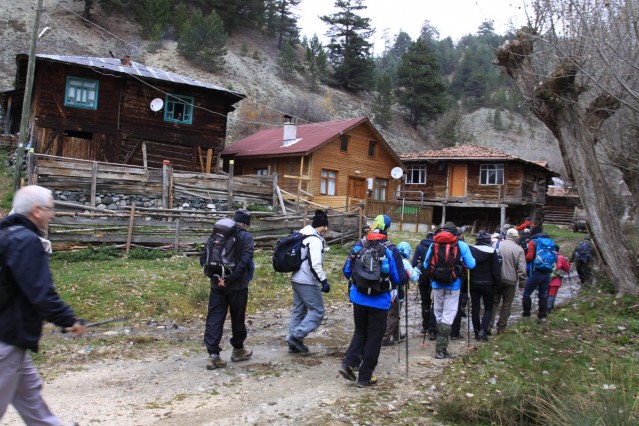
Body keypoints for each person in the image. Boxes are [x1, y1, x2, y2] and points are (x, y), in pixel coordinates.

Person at [0, 185, 87, 424]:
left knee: (32, 402)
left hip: (13, 336)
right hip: (7, 336)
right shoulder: (25, 241)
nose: (53, 214)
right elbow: (40, 292)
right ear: (37, 211)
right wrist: (68, 320)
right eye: (50, 209)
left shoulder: (6, 235)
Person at [340, 215, 407, 387]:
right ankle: (365, 377)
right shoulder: (391, 249)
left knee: (360, 332)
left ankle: (348, 364)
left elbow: (347, 271)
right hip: (379, 301)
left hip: (359, 298)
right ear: (387, 230)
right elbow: (399, 278)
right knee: (374, 337)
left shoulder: (359, 245)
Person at [202, 208, 255, 369]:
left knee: (214, 318)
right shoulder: (245, 236)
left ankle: (213, 355)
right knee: (237, 318)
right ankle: (238, 350)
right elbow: (245, 261)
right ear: (246, 224)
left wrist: (216, 277)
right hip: (237, 286)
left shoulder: (217, 234)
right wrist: (230, 279)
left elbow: (204, 257)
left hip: (216, 284)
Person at [423, 221, 475, 359]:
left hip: (436, 284)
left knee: (439, 314)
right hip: (453, 285)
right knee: (448, 316)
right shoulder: (461, 245)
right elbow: (471, 264)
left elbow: (425, 264)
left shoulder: (434, 244)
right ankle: (440, 349)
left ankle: (441, 348)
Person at [286, 210, 330, 354]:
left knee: (298, 310)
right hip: (307, 281)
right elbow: (315, 264)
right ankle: (297, 336)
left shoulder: (302, 235)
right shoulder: (315, 240)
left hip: (296, 278)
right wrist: (323, 281)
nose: (326, 229)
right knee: (318, 311)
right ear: (319, 225)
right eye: (324, 226)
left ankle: (292, 341)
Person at [382, 241, 420, 346]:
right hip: (397, 291)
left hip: (387, 289)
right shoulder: (405, 262)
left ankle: (397, 334)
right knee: (393, 314)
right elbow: (414, 277)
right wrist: (417, 269)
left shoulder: (392, 257)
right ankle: (385, 337)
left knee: (394, 313)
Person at [491, 228, 526, 334]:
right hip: (511, 280)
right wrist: (522, 283)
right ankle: (501, 328)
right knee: (506, 304)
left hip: (496, 279)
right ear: (516, 237)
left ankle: (488, 325)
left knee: (493, 302)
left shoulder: (497, 245)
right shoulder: (519, 249)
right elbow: (522, 269)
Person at [468, 231, 501, 341]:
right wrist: (498, 285)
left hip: (473, 283)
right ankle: (483, 330)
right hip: (488, 284)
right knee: (488, 308)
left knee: (475, 308)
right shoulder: (492, 252)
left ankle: (477, 333)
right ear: (488, 241)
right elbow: (496, 270)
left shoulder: (471, 250)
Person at [522, 225, 557, 322]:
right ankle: (542, 315)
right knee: (543, 295)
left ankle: (526, 314)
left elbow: (529, 257)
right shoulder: (550, 242)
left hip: (535, 271)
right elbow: (555, 256)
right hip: (548, 272)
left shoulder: (533, 242)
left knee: (527, 293)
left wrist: (525, 259)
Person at [411, 231, 435, 338]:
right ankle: (433, 327)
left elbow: (414, 264)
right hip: (435, 277)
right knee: (435, 302)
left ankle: (425, 325)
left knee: (425, 301)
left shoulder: (420, 246)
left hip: (422, 277)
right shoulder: (436, 246)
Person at [548, 244, 570, 313]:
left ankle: (542, 310)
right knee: (551, 295)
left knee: (544, 295)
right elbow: (567, 269)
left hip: (543, 279)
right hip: (555, 280)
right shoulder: (560, 257)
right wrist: (567, 262)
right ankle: (549, 310)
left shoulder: (545, 256)